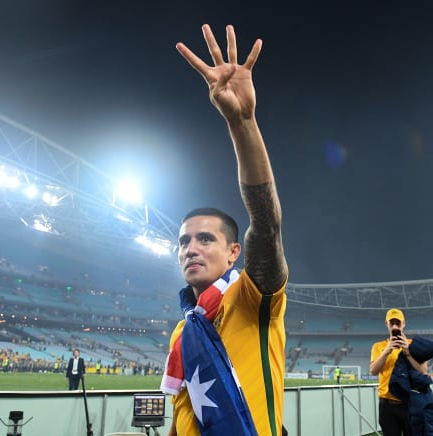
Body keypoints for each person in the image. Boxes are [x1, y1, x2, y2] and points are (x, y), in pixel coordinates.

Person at [159, 24, 288, 436]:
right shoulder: (186, 325)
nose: (190, 249)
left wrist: (242, 122)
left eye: (205, 239)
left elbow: (266, 227)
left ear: (234, 252)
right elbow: (185, 409)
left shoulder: (253, 299)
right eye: (183, 242)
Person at [370, 308, 428, 436]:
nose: (395, 326)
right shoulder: (378, 347)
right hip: (387, 405)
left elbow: (423, 371)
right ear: (387, 324)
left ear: (404, 324)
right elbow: (373, 371)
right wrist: (387, 350)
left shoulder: (414, 345)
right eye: (392, 323)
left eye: (398, 323)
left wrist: (408, 353)